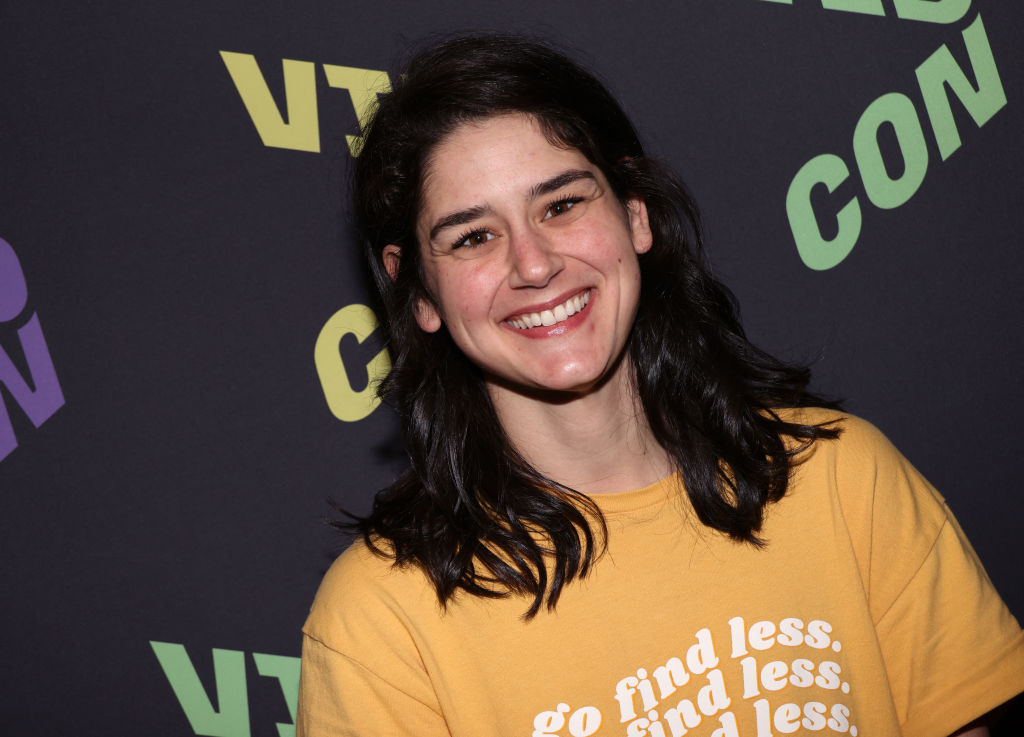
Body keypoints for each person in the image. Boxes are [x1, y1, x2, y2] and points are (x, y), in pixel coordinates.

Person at [296, 34, 1024, 737]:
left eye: (562, 204)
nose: (535, 263)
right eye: (473, 236)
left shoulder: (847, 482)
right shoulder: (381, 623)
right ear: (418, 291)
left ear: (635, 214)